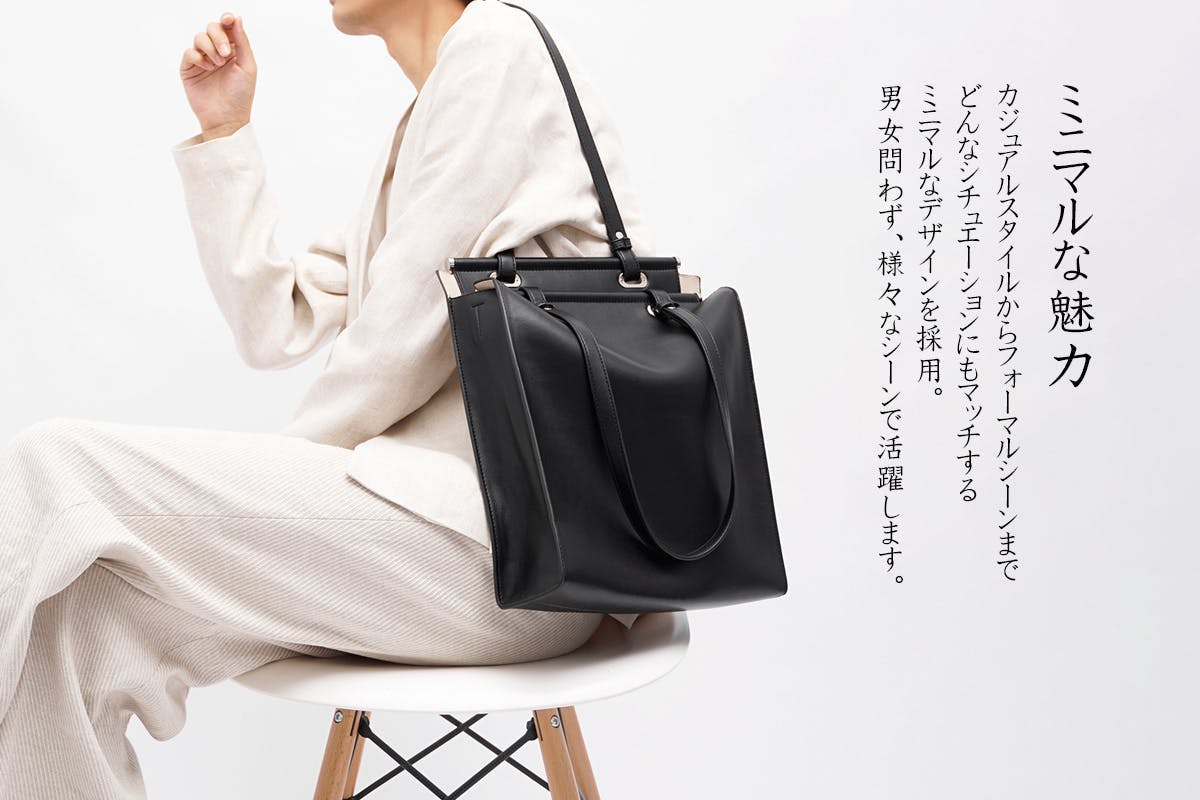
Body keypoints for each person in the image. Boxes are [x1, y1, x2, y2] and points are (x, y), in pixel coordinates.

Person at [0, 0, 653, 796]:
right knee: (76, 616)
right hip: (446, 545)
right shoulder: (426, 119)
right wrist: (225, 132)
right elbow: (276, 321)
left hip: (508, 556)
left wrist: (264, 492)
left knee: (57, 468)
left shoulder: (497, 51)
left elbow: (393, 350)